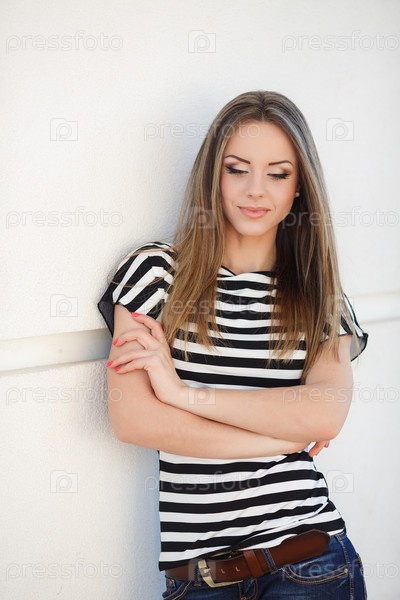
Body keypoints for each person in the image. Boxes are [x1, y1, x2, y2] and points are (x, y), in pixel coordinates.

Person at [97, 90, 368, 599]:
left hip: (311, 564)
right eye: (237, 169)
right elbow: (135, 421)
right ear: (213, 176)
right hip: (198, 581)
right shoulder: (154, 275)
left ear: (300, 187)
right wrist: (283, 438)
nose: (255, 190)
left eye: (278, 173)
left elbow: (325, 414)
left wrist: (181, 395)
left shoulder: (320, 296)